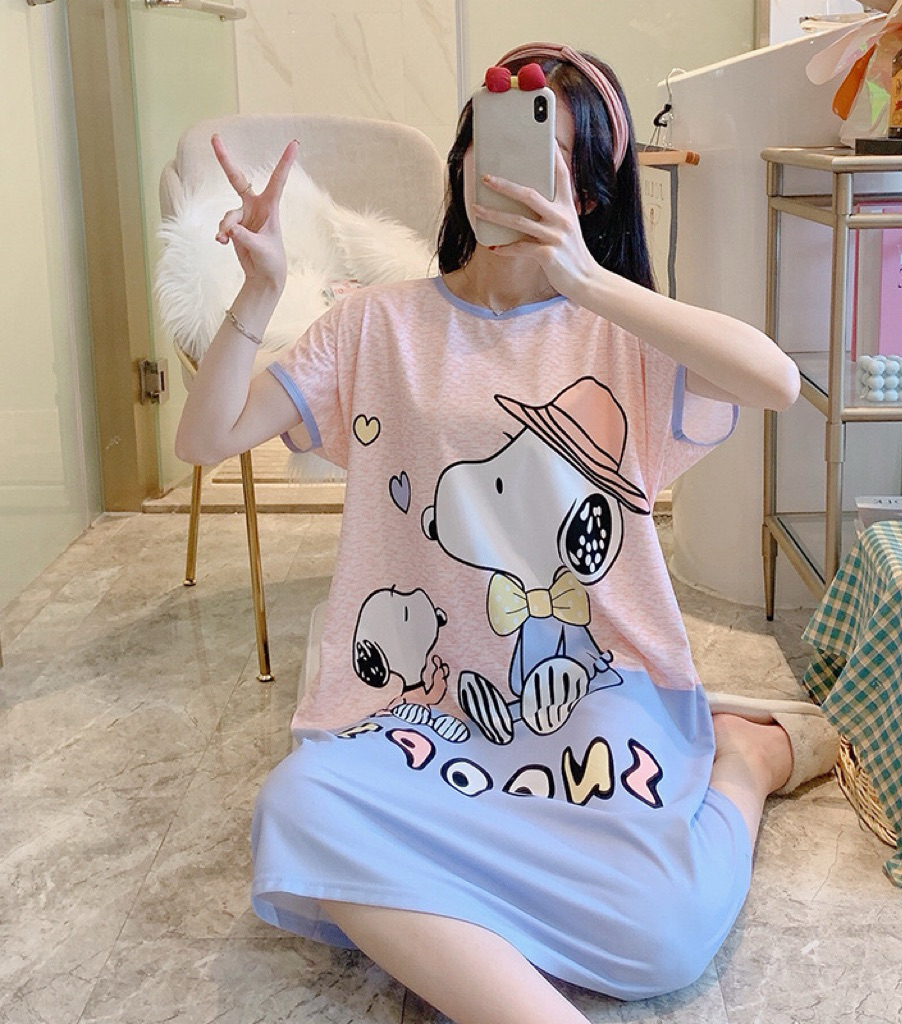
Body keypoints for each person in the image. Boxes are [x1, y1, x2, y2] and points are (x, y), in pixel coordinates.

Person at [176, 42, 837, 1024]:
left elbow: (776, 381)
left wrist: (588, 280)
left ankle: (748, 759)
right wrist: (260, 291)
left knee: (663, 935)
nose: (506, 171)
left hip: (588, 694)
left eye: (547, 155)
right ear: (459, 162)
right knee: (297, 809)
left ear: (591, 193)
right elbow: (204, 439)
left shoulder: (622, 332)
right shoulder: (374, 325)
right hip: (419, 710)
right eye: (490, 141)